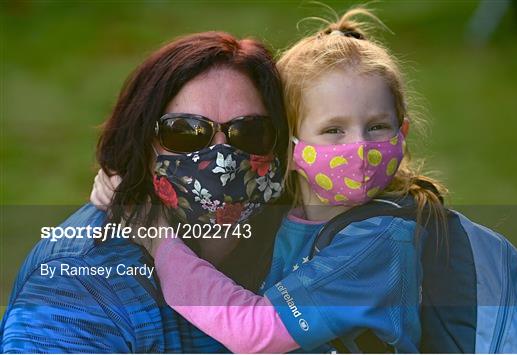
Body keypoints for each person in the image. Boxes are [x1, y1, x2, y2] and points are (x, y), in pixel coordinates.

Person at [91, 8, 449, 353]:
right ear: (289, 145)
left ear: (402, 133)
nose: (359, 146)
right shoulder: (286, 211)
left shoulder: (378, 239)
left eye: (377, 126)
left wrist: (158, 242)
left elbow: (255, 335)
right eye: (333, 130)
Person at [0, 31, 290, 353]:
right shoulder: (79, 281)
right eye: (184, 133)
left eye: (249, 132)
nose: (221, 158)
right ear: (141, 143)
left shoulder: (303, 247)